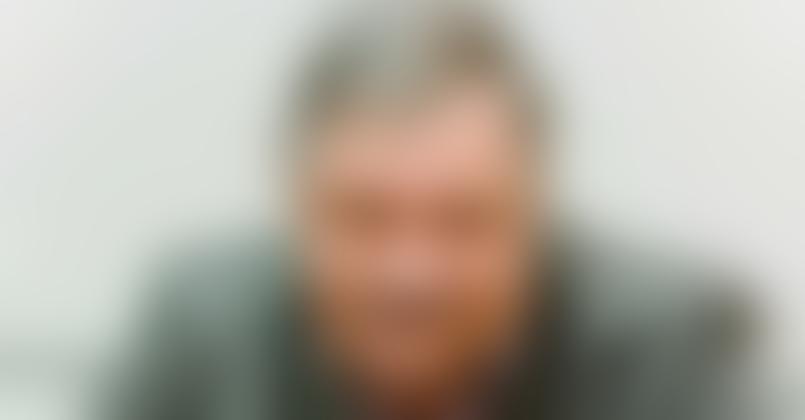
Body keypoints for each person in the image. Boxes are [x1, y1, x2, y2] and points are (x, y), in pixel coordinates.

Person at [103, 2, 747, 420]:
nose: (411, 274)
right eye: (364, 218)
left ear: (536, 216)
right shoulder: (200, 335)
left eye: (463, 222)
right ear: (296, 210)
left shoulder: (674, 345)